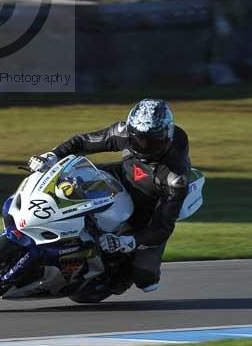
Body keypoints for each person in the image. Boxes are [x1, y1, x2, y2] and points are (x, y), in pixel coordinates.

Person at [27, 98, 191, 293]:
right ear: (131, 131)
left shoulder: (175, 178)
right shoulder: (124, 132)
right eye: (138, 139)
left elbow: (163, 227)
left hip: (149, 206)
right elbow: (83, 142)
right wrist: (53, 155)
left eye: (152, 142)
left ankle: (118, 274)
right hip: (121, 176)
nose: (144, 146)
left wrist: (130, 242)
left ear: (167, 138)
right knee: (69, 183)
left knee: (146, 278)